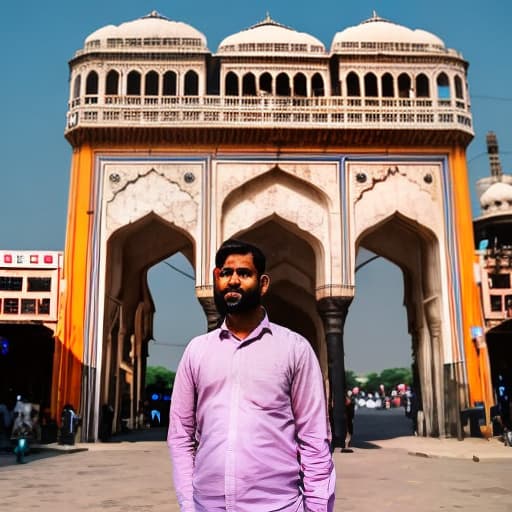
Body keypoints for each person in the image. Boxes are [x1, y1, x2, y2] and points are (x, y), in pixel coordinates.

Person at [168, 239, 335, 512]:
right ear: (216, 279)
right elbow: (180, 434)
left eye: (244, 273)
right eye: (226, 273)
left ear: (263, 283)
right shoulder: (197, 351)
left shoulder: (294, 349)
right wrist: (189, 502)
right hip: (207, 507)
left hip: (277, 506)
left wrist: (317, 508)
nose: (233, 280)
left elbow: (314, 439)